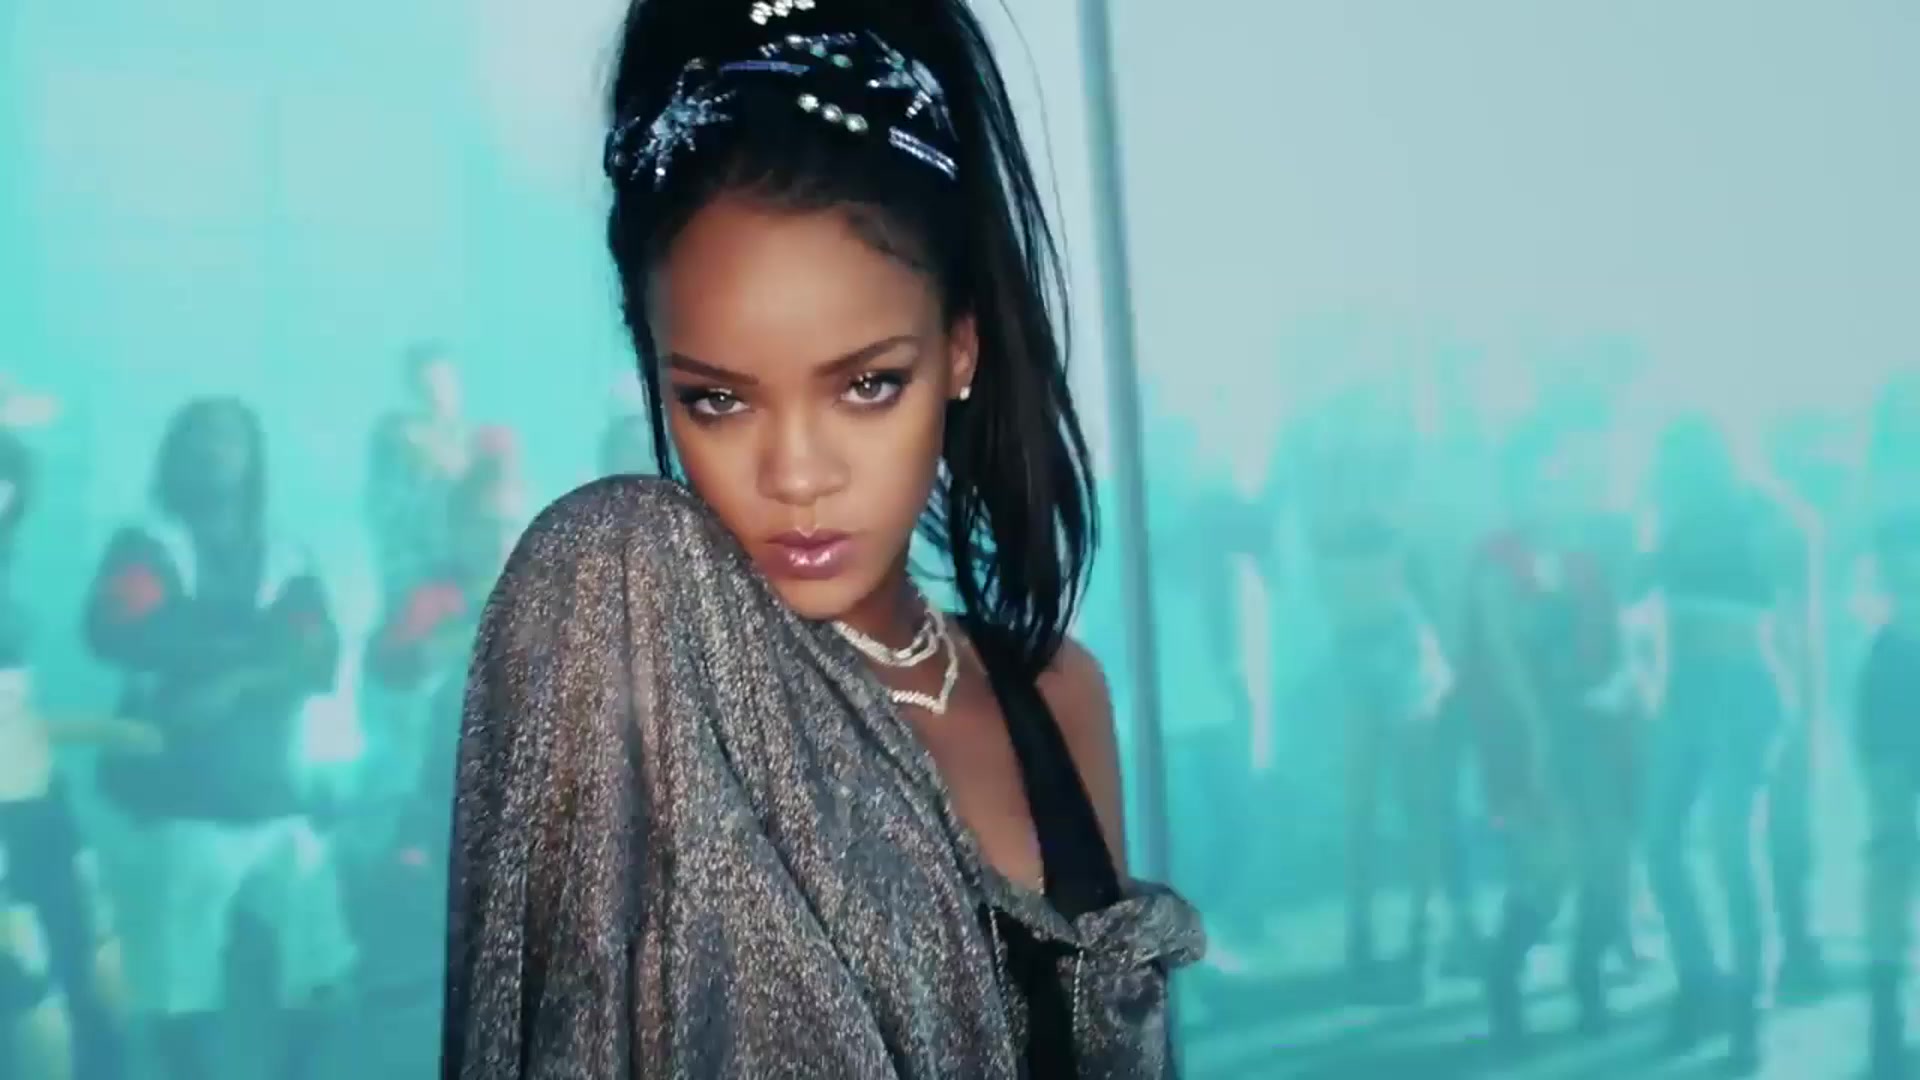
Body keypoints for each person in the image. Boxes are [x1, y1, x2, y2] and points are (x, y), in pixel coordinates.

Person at [440, 2, 1204, 1076]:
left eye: (867, 385)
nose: (796, 476)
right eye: (717, 400)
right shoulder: (623, 619)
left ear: (961, 348)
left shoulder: (1059, 698)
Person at [82, 398, 356, 1080]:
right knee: (180, 993)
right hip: (174, 804)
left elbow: (318, 659)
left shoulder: (285, 554)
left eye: (230, 438)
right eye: (200, 437)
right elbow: (124, 633)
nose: (214, 451)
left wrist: (233, 679)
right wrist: (261, 647)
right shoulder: (147, 544)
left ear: (253, 454)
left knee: (322, 973)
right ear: (176, 452)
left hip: (272, 797)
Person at [1640, 414, 1812, 1074]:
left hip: (1743, 687)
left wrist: (1800, 718)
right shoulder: (1673, 520)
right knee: (1660, 842)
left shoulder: (1761, 514)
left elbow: (1795, 614)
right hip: (1687, 688)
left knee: (1732, 847)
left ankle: (1748, 1004)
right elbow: (1635, 588)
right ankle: (1702, 980)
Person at [1462, 420, 1633, 1049]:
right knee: (1550, 867)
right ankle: (1504, 981)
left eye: (1557, 480)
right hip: (1530, 731)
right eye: (1537, 482)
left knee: (1610, 862)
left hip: (1594, 725)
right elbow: (1503, 659)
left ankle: (1587, 977)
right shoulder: (1497, 561)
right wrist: (1536, 739)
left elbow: (1617, 638)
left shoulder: (1583, 553)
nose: (1550, 492)